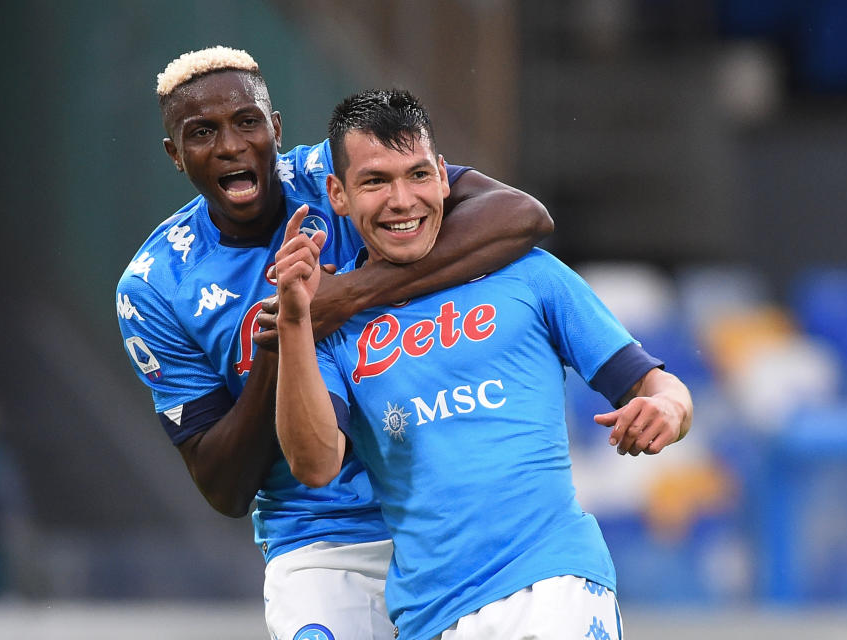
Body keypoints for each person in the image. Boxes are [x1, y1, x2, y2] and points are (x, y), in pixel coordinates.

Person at [115, 47, 552, 640]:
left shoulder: (344, 176)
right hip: (317, 538)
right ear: (175, 155)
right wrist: (285, 339)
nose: (230, 146)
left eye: (247, 122)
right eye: (201, 133)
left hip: (438, 508)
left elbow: (520, 216)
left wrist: (345, 296)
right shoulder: (155, 285)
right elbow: (223, 485)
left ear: (275, 128)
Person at [273, 89, 693, 640]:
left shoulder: (528, 273)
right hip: (431, 615)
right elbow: (315, 464)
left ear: (444, 178)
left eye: (418, 175)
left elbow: (659, 386)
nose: (403, 200)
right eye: (376, 181)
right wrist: (294, 324)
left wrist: (667, 408)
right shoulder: (329, 326)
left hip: (553, 585)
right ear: (339, 195)